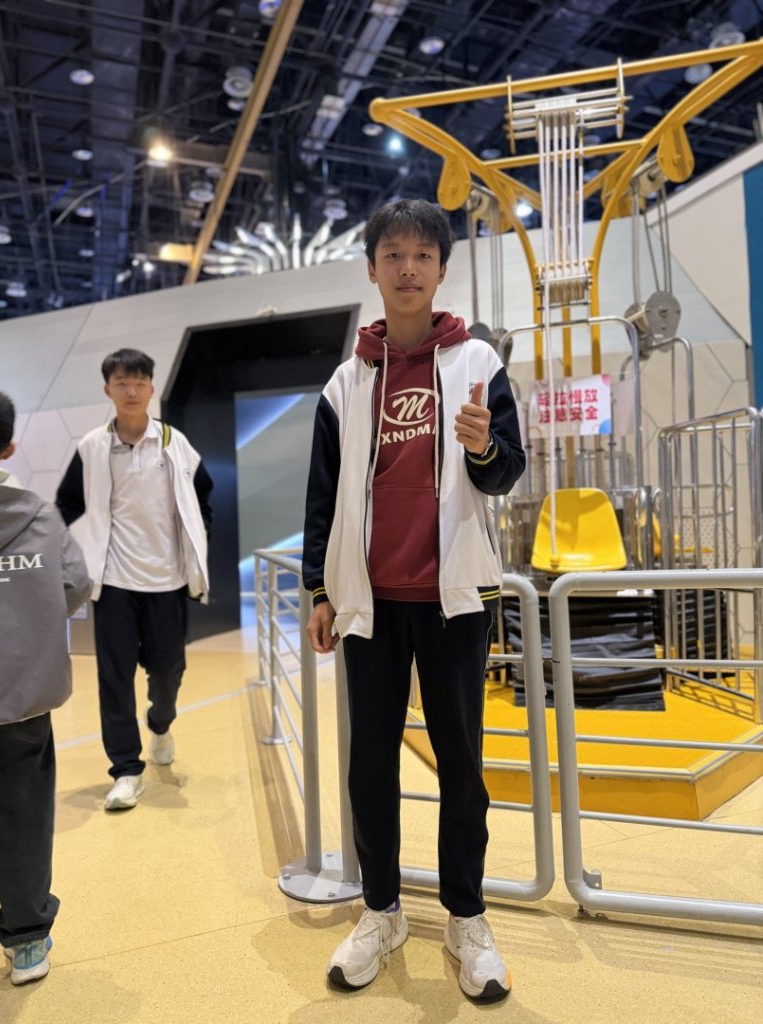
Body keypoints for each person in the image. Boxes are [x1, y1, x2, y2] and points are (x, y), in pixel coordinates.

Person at [303, 199, 525, 1001]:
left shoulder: (478, 363)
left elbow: (508, 472)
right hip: (369, 604)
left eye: (421, 255)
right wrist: (319, 588)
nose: (406, 268)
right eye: (392, 254)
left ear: (441, 269)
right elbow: (321, 496)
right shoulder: (345, 381)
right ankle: (382, 909)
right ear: (371, 268)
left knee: (461, 763)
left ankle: (467, 918)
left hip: (454, 599)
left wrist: (485, 447)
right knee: (371, 765)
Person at [56, 349, 212, 811]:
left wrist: (197, 545)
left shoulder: (174, 443)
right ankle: (126, 770)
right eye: (122, 382)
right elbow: (65, 506)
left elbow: (203, 498)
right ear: (108, 389)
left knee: (167, 673)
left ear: (151, 389)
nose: (131, 391)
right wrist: (80, 554)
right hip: (114, 585)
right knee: (114, 679)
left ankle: (160, 725)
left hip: (167, 581)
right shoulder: (91, 447)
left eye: (139, 383)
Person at [0, 388, 91, 984]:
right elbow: (76, 584)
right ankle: (27, 940)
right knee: (24, 813)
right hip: (23, 691)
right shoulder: (39, 517)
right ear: (8, 447)